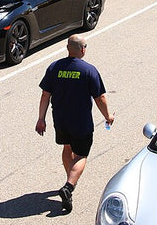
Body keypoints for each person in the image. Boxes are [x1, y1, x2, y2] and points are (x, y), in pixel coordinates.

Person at [36, 35, 114, 213]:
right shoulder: (89, 70)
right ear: (83, 49)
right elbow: (100, 97)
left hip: (60, 120)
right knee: (81, 155)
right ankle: (69, 186)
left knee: (67, 148)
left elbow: (45, 95)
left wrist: (41, 118)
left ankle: (70, 179)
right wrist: (108, 116)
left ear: (67, 48)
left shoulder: (54, 67)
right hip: (81, 122)